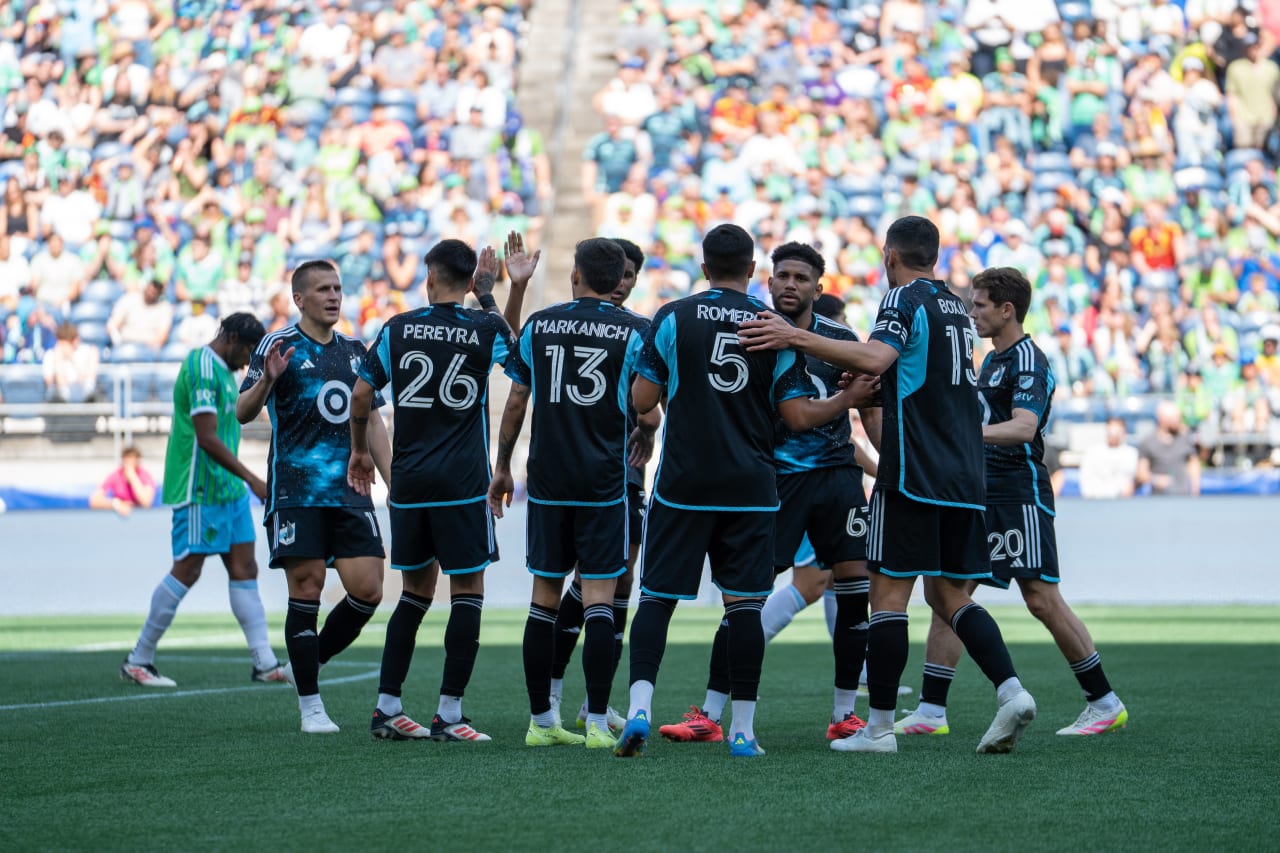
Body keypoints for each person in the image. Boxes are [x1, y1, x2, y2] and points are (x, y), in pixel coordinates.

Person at [740, 216, 1037, 755]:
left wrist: (793, 335)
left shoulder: (903, 298)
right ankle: (1012, 691)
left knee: (888, 597)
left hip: (916, 472)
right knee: (947, 593)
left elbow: (877, 358)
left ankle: (877, 729)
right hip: (966, 472)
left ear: (889, 255)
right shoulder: (954, 307)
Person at [616, 223, 863, 759]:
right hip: (752, 486)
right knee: (745, 607)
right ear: (754, 272)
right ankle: (744, 731)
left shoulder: (673, 316)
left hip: (683, 483)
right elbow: (796, 416)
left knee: (657, 599)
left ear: (704, 269)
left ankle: (639, 708)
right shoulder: (772, 329)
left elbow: (642, 398)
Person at [895, 267, 1128, 739]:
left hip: (1018, 491)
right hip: (982, 494)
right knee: (948, 592)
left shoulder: (1028, 360)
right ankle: (931, 710)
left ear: (1007, 309)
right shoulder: (991, 361)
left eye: (979, 304)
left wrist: (964, 434)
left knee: (1040, 597)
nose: (971, 312)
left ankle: (1104, 701)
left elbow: (1024, 427)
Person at [348, 236, 535, 742]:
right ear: (471, 281)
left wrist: (360, 452)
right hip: (460, 482)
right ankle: (449, 714)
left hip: (408, 484)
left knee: (413, 594)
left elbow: (362, 394)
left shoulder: (397, 328)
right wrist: (498, 295)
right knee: (468, 592)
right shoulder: (483, 326)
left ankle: (387, 707)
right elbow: (520, 361)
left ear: (429, 278)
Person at [488, 238, 653, 750]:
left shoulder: (542, 324)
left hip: (549, 481)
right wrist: (645, 428)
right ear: (619, 278)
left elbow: (516, 398)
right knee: (603, 600)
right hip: (604, 483)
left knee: (544, 599)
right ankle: (598, 724)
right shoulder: (637, 331)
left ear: (576, 275)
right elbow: (647, 406)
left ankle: (541, 721)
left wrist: (501, 467)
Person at [236, 260, 392, 735]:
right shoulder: (277, 345)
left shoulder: (355, 351)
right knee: (305, 592)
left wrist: (395, 483)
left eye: (338, 289)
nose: (333, 296)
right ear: (299, 299)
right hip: (297, 493)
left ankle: (311, 656)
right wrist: (267, 378)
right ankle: (311, 707)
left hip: (351, 492)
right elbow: (242, 412)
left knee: (368, 590)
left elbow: (375, 420)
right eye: (323, 289)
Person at [120, 313, 287, 688]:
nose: (248, 361)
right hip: (199, 488)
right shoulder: (201, 367)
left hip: (227, 491)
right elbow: (207, 438)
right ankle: (139, 658)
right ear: (228, 337)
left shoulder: (225, 376)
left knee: (246, 568)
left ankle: (264, 662)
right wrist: (253, 479)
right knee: (188, 568)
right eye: (246, 351)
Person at [1137, 401, 1201, 496]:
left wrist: (1196, 489)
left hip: (1184, 498)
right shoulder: (1148, 442)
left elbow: (1193, 464)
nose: (1178, 420)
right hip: (1159, 500)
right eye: (1174, 418)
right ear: (1162, 419)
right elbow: (1141, 474)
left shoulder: (1185, 438)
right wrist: (1156, 479)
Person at [1079, 417, 1140, 499]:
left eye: (1117, 431)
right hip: (1096, 501)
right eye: (1111, 431)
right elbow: (1086, 481)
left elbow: (1135, 480)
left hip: (1123, 502)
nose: (1114, 435)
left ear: (1124, 432)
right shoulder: (1092, 453)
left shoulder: (1132, 454)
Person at [90, 445, 156, 517]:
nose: (129, 463)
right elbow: (94, 501)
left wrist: (133, 477)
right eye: (127, 459)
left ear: (138, 461)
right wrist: (117, 504)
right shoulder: (115, 475)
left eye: (132, 460)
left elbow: (146, 502)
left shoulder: (145, 476)